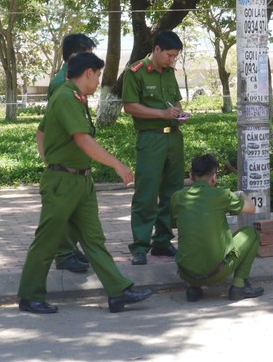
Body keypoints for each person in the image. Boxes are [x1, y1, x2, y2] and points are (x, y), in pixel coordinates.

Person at [18, 52, 153, 314]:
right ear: (88, 73)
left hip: (81, 180)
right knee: (47, 241)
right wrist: (116, 164)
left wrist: (51, 159)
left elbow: (41, 130)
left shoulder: (75, 98)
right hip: (63, 183)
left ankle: (117, 291)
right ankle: (29, 296)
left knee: (94, 240)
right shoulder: (67, 97)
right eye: (99, 74)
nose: (99, 79)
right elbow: (82, 140)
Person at [122, 31, 189, 266]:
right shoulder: (136, 72)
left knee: (172, 193)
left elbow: (176, 101)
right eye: (170, 55)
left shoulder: (169, 73)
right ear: (157, 49)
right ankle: (140, 246)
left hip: (174, 139)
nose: (172, 60)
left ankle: (162, 242)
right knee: (147, 193)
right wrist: (161, 114)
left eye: (175, 57)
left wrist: (180, 113)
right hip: (150, 139)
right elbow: (130, 107)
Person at [37, 33, 98, 274]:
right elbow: (49, 124)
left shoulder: (71, 80)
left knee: (74, 208)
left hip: (74, 157)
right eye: (88, 55)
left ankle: (69, 249)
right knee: (61, 209)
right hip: (65, 158)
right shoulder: (63, 84)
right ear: (75, 55)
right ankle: (63, 254)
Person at [171, 154, 264, 302]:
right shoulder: (222, 194)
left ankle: (193, 288)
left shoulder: (177, 197)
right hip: (217, 272)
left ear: (190, 176)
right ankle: (239, 286)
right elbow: (251, 209)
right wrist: (241, 194)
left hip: (186, 272)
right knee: (252, 233)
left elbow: (174, 224)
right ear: (214, 178)